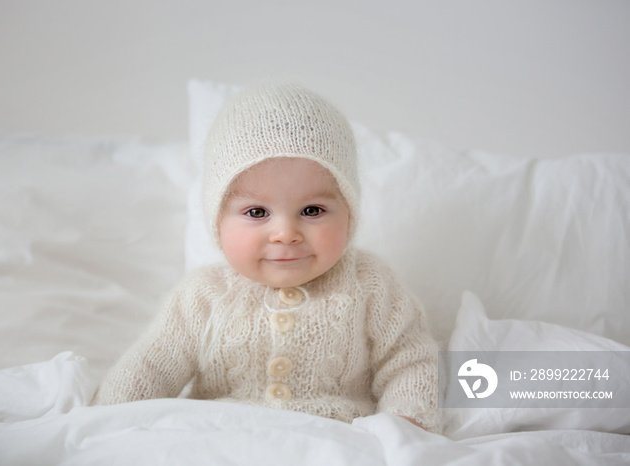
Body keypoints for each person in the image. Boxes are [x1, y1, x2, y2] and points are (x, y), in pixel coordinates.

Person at [93, 82, 441, 433]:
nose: (286, 233)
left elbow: (409, 360)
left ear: (349, 211)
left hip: (334, 441)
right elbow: (150, 366)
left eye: (312, 209)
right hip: (221, 438)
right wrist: (108, 420)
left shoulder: (370, 282)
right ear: (217, 220)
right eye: (257, 212)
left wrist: (406, 421)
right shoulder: (202, 295)